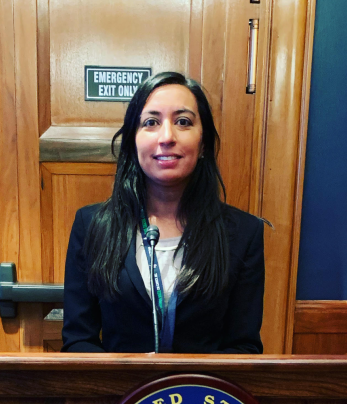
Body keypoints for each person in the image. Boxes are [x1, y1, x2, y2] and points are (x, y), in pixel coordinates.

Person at [61, 71, 265, 354]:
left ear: (203, 142)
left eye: (183, 122)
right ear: (133, 140)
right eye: (151, 122)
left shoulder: (243, 233)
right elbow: (78, 341)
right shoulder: (92, 224)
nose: (167, 136)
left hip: (201, 397)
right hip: (121, 397)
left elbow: (244, 346)